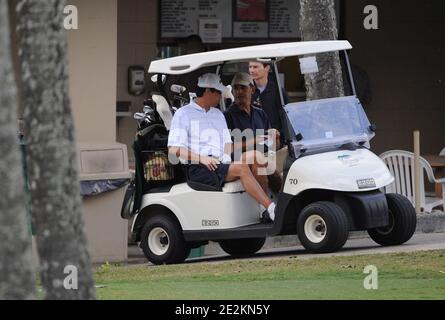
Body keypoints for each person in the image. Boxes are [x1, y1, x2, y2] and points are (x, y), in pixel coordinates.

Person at [168, 73, 276, 222]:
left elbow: (228, 147)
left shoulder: (218, 114)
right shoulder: (183, 114)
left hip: (220, 164)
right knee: (242, 168)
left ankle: (263, 210)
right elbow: (174, 149)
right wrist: (202, 158)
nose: (221, 96)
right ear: (208, 91)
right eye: (218, 92)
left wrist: (254, 140)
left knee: (256, 156)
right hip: (199, 167)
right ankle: (271, 208)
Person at [224, 72, 283, 195]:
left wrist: (275, 139)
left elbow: (272, 147)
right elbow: (228, 148)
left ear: (252, 89)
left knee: (274, 166)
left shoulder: (260, 114)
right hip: (239, 161)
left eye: (243, 87)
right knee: (261, 162)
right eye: (236, 88)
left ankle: (285, 204)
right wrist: (254, 140)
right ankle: (266, 207)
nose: (239, 92)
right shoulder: (227, 116)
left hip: (263, 158)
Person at [249, 61, 289, 136]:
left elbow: (286, 118)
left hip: (274, 139)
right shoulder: (246, 91)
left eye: (255, 67)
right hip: (252, 139)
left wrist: (282, 137)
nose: (251, 70)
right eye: (250, 67)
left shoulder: (278, 92)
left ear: (267, 68)